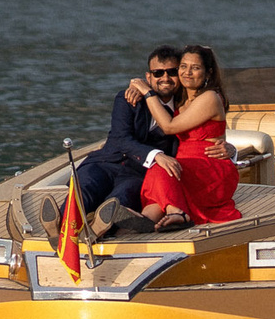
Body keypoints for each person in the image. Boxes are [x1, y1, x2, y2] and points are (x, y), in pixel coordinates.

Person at [68, 45, 225, 237]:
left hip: (140, 172)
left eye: (172, 72)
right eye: (158, 73)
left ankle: (102, 230)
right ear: (148, 77)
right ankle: (60, 226)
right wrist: (157, 155)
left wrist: (230, 149)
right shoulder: (129, 98)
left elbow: (208, 130)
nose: (165, 78)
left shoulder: (184, 102)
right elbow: (121, 138)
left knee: (119, 200)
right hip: (106, 162)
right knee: (83, 189)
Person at [133, 43, 242, 231]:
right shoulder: (180, 97)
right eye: (183, 66)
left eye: (195, 68)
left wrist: (147, 92)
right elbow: (161, 86)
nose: (187, 72)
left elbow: (169, 126)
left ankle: (178, 213)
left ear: (208, 73)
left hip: (211, 169)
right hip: (188, 166)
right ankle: (139, 223)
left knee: (161, 168)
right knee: (164, 176)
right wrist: (136, 89)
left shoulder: (210, 98)